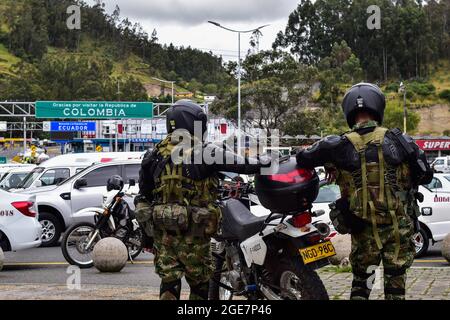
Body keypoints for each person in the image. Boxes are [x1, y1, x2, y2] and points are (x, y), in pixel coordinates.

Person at [296, 83, 433, 300]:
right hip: (397, 231)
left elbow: (302, 158)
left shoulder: (338, 145)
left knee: (363, 283)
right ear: (378, 107)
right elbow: (426, 174)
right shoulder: (398, 140)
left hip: (363, 232)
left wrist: (331, 164)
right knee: (395, 284)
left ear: (349, 111)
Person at [135, 100, 269, 300]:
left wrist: (147, 236)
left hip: (164, 235)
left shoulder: (152, 155)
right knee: (200, 284)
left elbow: (144, 197)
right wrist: (269, 162)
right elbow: (244, 165)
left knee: (169, 282)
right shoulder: (205, 152)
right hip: (195, 234)